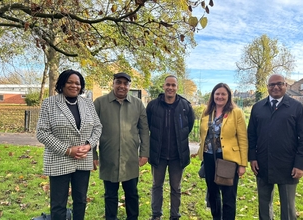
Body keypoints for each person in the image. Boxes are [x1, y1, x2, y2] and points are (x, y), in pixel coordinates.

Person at [36, 69, 102, 220]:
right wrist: (67, 150)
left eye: (77, 83)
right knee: (58, 203)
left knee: (80, 200)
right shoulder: (49, 103)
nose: (74, 86)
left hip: (83, 158)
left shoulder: (87, 104)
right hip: (59, 159)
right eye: (70, 82)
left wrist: (89, 145)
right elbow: (42, 133)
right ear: (62, 84)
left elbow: (98, 127)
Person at [248, 74, 303, 220]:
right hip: (263, 164)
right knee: (264, 205)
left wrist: (300, 165)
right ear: (267, 87)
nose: (275, 87)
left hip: (288, 166)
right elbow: (251, 135)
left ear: (286, 86)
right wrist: (252, 158)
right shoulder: (258, 108)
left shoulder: (297, 108)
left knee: (288, 208)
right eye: (272, 85)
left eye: (279, 84)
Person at [93, 72, 149, 220]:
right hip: (108, 156)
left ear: (129, 86)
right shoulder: (99, 103)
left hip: (130, 158)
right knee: (110, 194)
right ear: (113, 83)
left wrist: (144, 153)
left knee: (132, 193)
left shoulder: (138, 104)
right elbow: (91, 130)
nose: (122, 86)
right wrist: (93, 154)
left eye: (126, 83)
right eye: (119, 82)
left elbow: (144, 130)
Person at [146, 75, 195, 220]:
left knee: (176, 188)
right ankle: (156, 215)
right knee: (156, 186)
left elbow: (189, 126)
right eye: (168, 85)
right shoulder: (153, 105)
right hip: (158, 154)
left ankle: (175, 215)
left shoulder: (185, 106)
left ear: (177, 87)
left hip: (177, 155)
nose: (170, 88)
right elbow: (148, 125)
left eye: (173, 85)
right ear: (163, 86)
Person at [197, 82, 248, 220]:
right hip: (208, 158)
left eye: (223, 94)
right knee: (213, 194)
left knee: (228, 195)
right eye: (217, 94)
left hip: (228, 159)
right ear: (213, 95)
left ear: (228, 96)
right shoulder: (207, 112)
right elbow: (203, 134)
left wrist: (242, 164)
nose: (220, 96)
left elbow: (243, 139)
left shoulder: (236, 113)